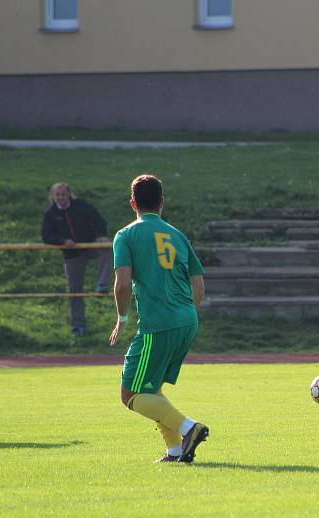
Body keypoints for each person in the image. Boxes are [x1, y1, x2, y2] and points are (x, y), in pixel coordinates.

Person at [109, 174, 209, 463]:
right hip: (187, 319)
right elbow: (199, 284)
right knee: (151, 388)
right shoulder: (177, 235)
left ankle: (189, 428)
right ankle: (175, 449)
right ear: (162, 202)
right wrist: (185, 315)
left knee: (130, 394)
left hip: (159, 324)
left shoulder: (126, 235)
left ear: (132, 203)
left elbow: (123, 284)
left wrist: (121, 317)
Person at [41, 183, 113, 337]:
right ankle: (78, 327)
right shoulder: (50, 214)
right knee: (75, 292)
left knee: (107, 248)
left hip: (90, 245)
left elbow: (99, 220)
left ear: (69, 195)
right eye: (57, 195)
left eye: (63, 194)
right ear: (53, 197)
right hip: (72, 255)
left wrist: (101, 235)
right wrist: (62, 241)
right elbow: (47, 236)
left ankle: (102, 285)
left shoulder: (81, 205)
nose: (60, 197)